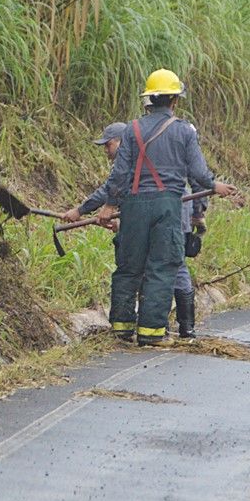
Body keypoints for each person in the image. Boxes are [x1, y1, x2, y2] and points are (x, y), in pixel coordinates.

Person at [95, 69, 237, 347]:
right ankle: (151, 333)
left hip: (134, 207)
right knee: (162, 268)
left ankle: (122, 328)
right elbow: (198, 172)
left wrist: (110, 205)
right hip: (167, 208)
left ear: (149, 100)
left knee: (128, 267)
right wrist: (213, 185)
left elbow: (119, 174)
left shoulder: (132, 129)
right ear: (174, 101)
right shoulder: (184, 130)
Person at [63, 121, 209, 339]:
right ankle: (175, 327)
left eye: (108, 144)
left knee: (163, 266)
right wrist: (198, 213)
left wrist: (81, 210)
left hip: (166, 211)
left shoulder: (134, 154)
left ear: (122, 141)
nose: (105, 150)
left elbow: (112, 188)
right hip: (171, 210)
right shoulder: (168, 148)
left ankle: (164, 327)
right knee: (170, 266)